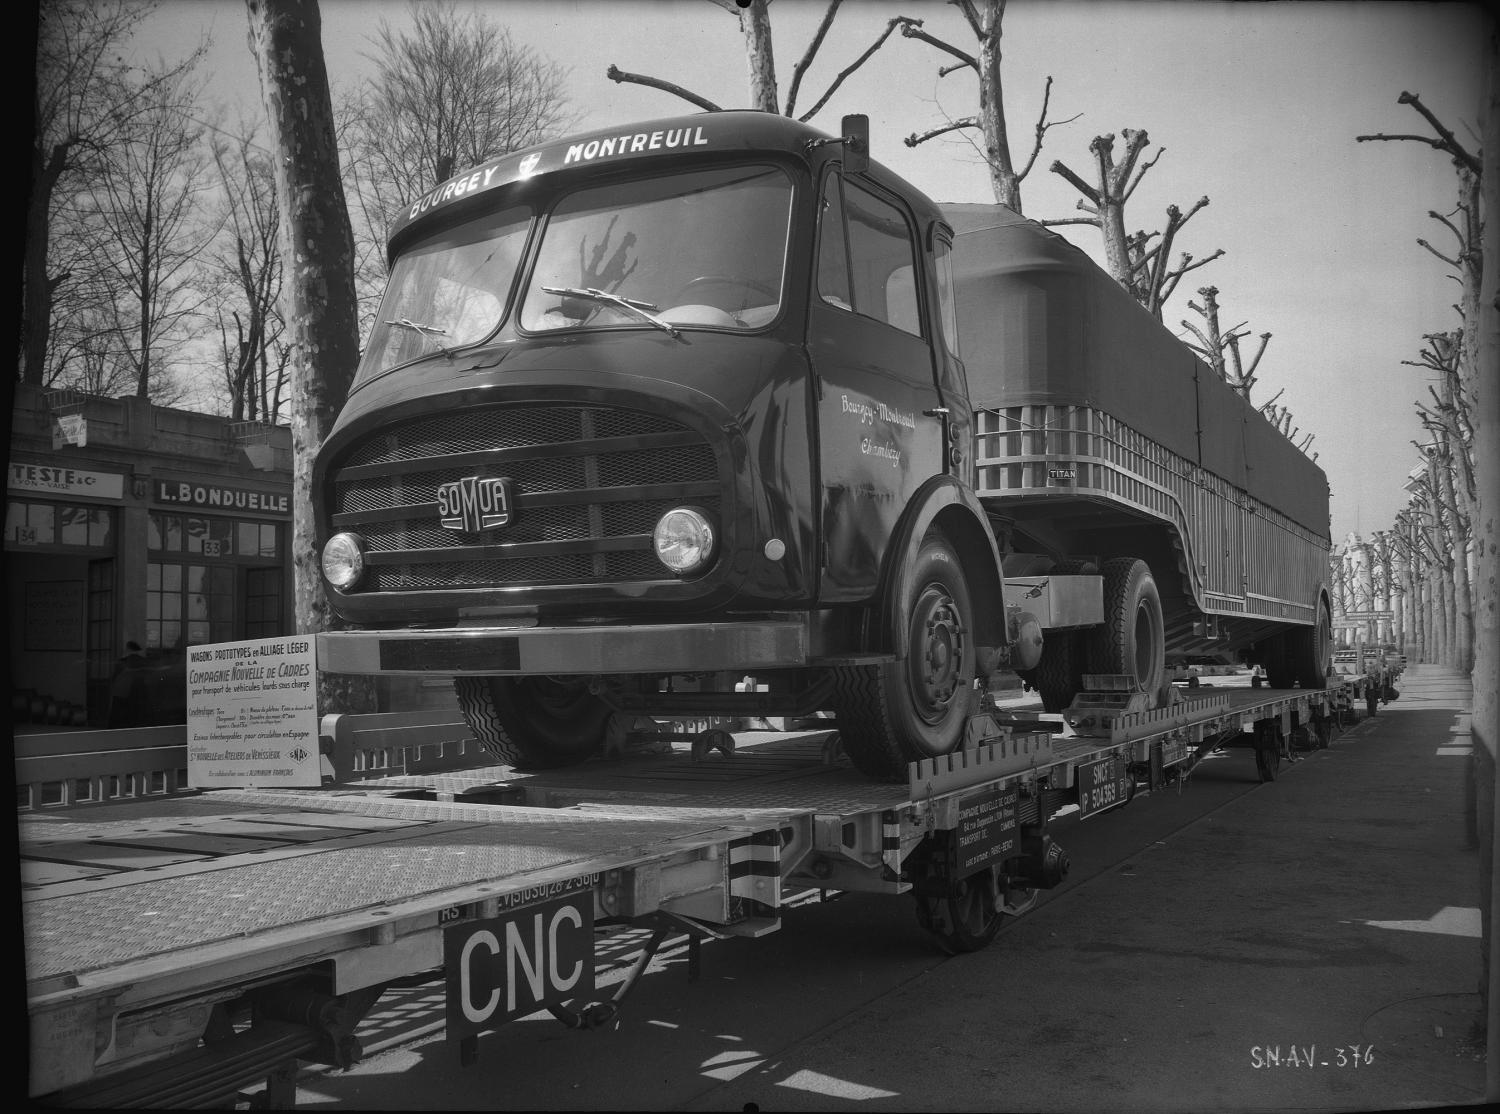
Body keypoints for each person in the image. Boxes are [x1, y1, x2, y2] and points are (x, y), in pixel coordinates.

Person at [107, 641, 149, 727]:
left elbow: (114, 677)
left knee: (118, 714)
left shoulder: (122, 662)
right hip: (134, 692)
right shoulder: (141, 661)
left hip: (121, 691)